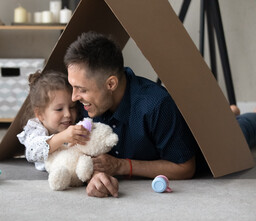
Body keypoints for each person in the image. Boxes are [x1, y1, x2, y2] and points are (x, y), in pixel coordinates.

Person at [64, 31, 256, 198]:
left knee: (241, 131)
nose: (74, 97)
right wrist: (97, 174)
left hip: (209, 143)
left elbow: (185, 167)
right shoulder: (88, 103)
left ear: (111, 84)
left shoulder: (155, 105)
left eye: (81, 89)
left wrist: (121, 166)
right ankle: (229, 113)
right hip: (169, 130)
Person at [17, 70, 90, 171]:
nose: (68, 114)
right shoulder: (36, 128)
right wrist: (62, 137)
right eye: (59, 109)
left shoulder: (75, 124)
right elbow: (32, 153)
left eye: (72, 107)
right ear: (40, 114)